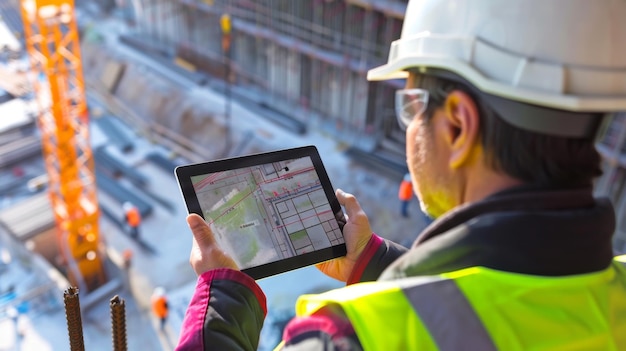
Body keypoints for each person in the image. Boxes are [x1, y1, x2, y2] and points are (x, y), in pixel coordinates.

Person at [176, 0, 626, 349]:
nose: (410, 128)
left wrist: (223, 299)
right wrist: (375, 265)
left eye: (411, 107)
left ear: (457, 126)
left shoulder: (345, 338)